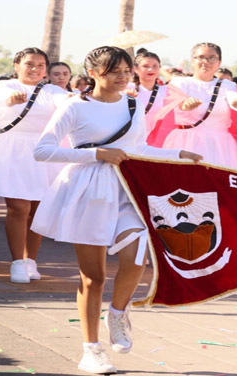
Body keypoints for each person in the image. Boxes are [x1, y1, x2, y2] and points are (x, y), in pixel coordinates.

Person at [31, 46, 201, 374]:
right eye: (114, 71)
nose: (123, 77)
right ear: (94, 73)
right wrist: (96, 154)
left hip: (126, 189)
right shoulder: (74, 106)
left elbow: (137, 148)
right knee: (93, 277)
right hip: (86, 191)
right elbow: (43, 150)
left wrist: (179, 154)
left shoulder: (134, 104)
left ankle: (118, 312)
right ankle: (91, 349)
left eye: (127, 70)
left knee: (138, 253)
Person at [0, 47, 67, 283]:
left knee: (38, 210)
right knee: (19, 208)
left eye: (40, 65)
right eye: (29, 63)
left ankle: (30, 260)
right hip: (13, 151)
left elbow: (66, 103)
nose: (35, 69)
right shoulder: (4, 86)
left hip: (43, 151)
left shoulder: (52, 90)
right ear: (17, 65)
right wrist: (9, 101)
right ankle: (17, 262)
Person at [161, 43, 237, 167]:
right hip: (186, 142)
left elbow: (235, 101)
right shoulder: (180, 82)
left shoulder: (227, 85)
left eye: (212, 58)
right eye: (201, 57)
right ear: (192, 61)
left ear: (219, 62)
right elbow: (176, 101)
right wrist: (185, 105)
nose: (206, 62)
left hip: (220, 145)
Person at [126, 49, 167, 134]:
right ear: (135, 69)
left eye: (155, 66)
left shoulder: (167, 90)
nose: (150, 69)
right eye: (145, 66)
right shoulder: (127, 88)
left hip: (158, 137)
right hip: (133, 136)